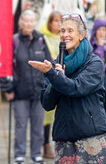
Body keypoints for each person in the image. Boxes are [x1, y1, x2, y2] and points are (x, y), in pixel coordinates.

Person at [29, 13, 106, 163]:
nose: (65, 35)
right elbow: (47, 103)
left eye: (70, 31)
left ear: (81, 35)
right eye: (62, 31)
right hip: (64, 137)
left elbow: (77, 88)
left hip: (90, 136)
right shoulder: (55, 65)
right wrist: (55, 75)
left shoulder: (94, 63)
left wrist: (54, 76)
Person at [3, 9, 51, 164]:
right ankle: (19, 155)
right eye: (26, 21)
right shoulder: (14, 41)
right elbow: (7, 67)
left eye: (32, 21)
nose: (29, 24)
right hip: (20, 91)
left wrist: (49, 86)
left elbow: (48, 64)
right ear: (21, 22)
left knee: (38, 125)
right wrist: (8, 89)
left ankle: (36, 154)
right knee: (21, 125)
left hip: (39, 91)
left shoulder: (41, 40)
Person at [39, 11, 61, 159]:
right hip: (48, 77)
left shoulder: (64, 38)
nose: (58, 24)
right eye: (55, 21)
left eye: (60, 21)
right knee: (47, 116)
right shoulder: (43, 38)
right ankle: (45, 145)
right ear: (49, 23)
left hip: (61, 77)